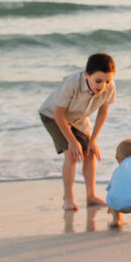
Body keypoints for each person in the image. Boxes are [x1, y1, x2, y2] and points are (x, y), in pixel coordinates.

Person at [38, 53, 116, 211]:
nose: (103, 86)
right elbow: (59, 114)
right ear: (86, 75)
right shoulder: (72, 83)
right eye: (98, 81)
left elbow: (103, 112)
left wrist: (93, 140)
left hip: (78, 119)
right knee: (71, 153)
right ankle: (68, 197)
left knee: (90, 152)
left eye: (107, 81)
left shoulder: (110, 87)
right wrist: (72, 142)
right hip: (52, 116)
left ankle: (91, 196)